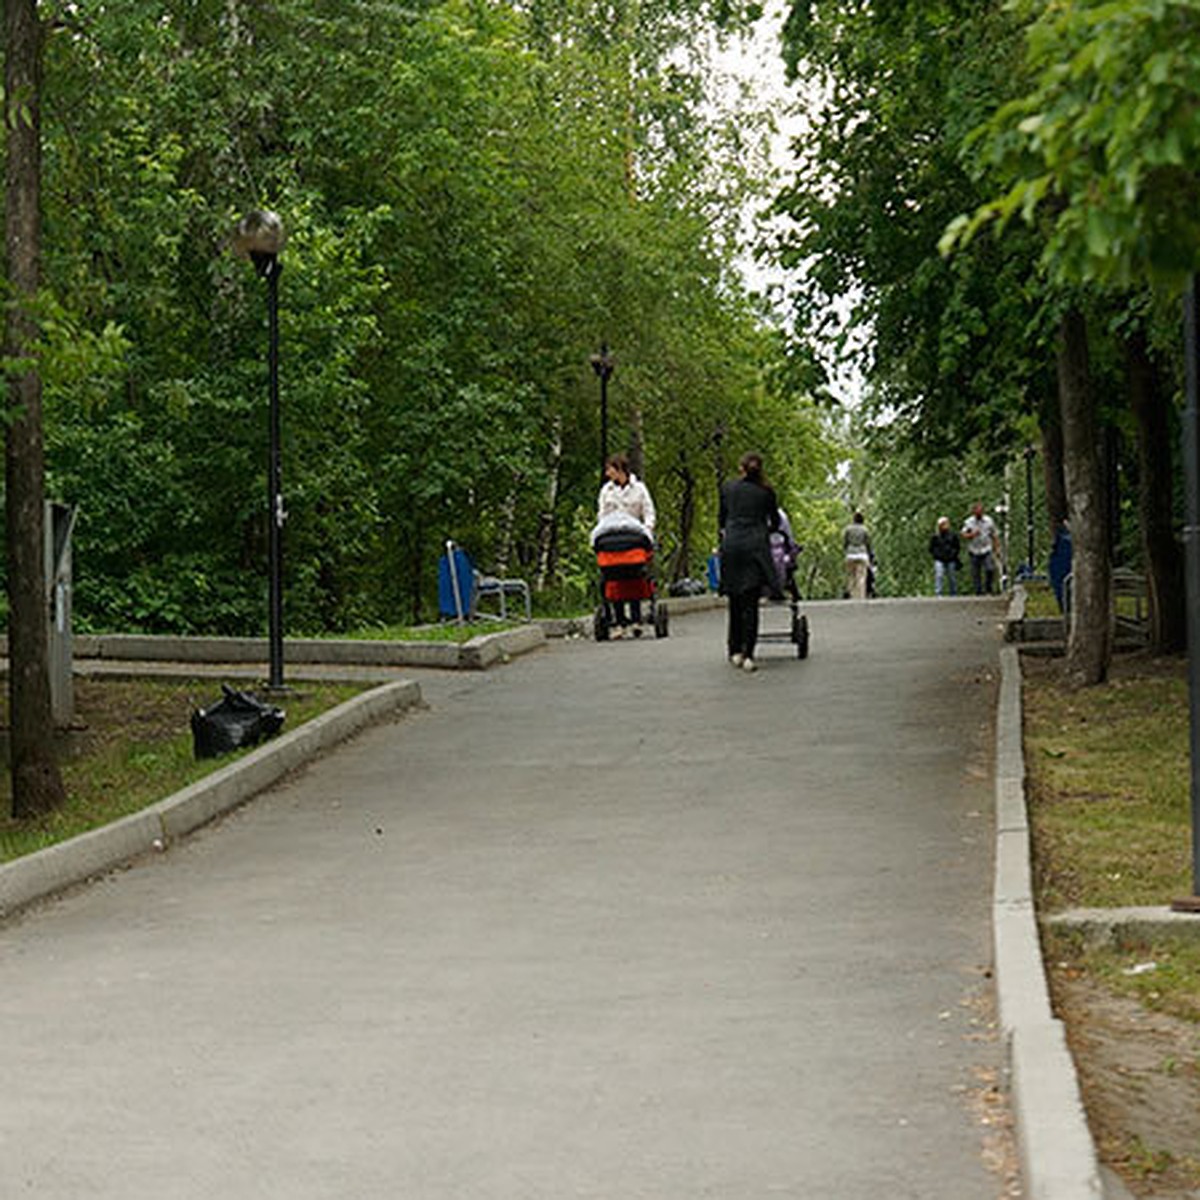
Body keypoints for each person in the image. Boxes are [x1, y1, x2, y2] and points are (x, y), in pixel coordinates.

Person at [718, 452, 779, 673]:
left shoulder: (728, 489)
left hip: (732, 546)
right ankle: (749, 655)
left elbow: (722, 519)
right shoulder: (766, 492)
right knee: (750, 604)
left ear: (741, 468)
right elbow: (776, 521)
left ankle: (734, 649)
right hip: (755, 548)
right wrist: (763, 530)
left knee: (735, 601)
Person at [595, 453, 656, 635]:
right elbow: (602, 515)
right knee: (614, 576)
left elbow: (648, 511)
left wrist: (647, 530)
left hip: (634, 535)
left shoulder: (639, 489)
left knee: (635, 573)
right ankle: (619, 621)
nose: (607, 474)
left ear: (620, 470)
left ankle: (636, 619)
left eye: (610, 469)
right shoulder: (607, 491)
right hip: (612, 535)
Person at [961, 502, 999, 595]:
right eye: (977, 512)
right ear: (974, 512)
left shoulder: (989, 521)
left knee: (990, 568)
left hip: (986, 548)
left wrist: (997, 548)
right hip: (974, 550)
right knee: (976, 572)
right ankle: (978, 591)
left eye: (980, 511)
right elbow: (963, 534)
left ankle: (988, 587)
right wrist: (972, 535)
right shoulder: (968, 522)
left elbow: (994, 535)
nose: (979, 513)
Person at [842, 511, 872, 600]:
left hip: (850, 555)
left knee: (851, 576)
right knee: (861, 577)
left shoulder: (848, 529)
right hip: (862, 554)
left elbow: (845, 543)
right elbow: (868, 543)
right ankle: (860, 597)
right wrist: (870, 555)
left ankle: (851, 595)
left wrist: (846, 551)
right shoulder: (865, 529)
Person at [929, 516, 961, 596]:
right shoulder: (935, 537)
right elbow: (931, 548)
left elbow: (957, 546)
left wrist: (953, 554)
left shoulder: (953, 535)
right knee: (939, 575)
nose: (946, 526)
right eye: (943, 524)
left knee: (952, 577)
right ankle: (938, 593)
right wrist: (937, 555)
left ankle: (953, 593)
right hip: (939, 559)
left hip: (951, 559)